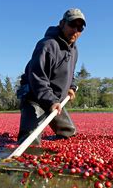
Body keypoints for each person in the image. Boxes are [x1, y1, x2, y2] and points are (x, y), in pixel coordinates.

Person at [17, 8, 86, 145]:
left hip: (55, 99)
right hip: (35, 96)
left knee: (68, 132)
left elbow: (70, 72)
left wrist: (71, 86)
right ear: (62, 24)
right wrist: (50, 101)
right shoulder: (47, 45)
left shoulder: (74, 50)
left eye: (80, 28)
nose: (75, 31)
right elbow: (37, 77)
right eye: (72, 25)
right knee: (30, 142)